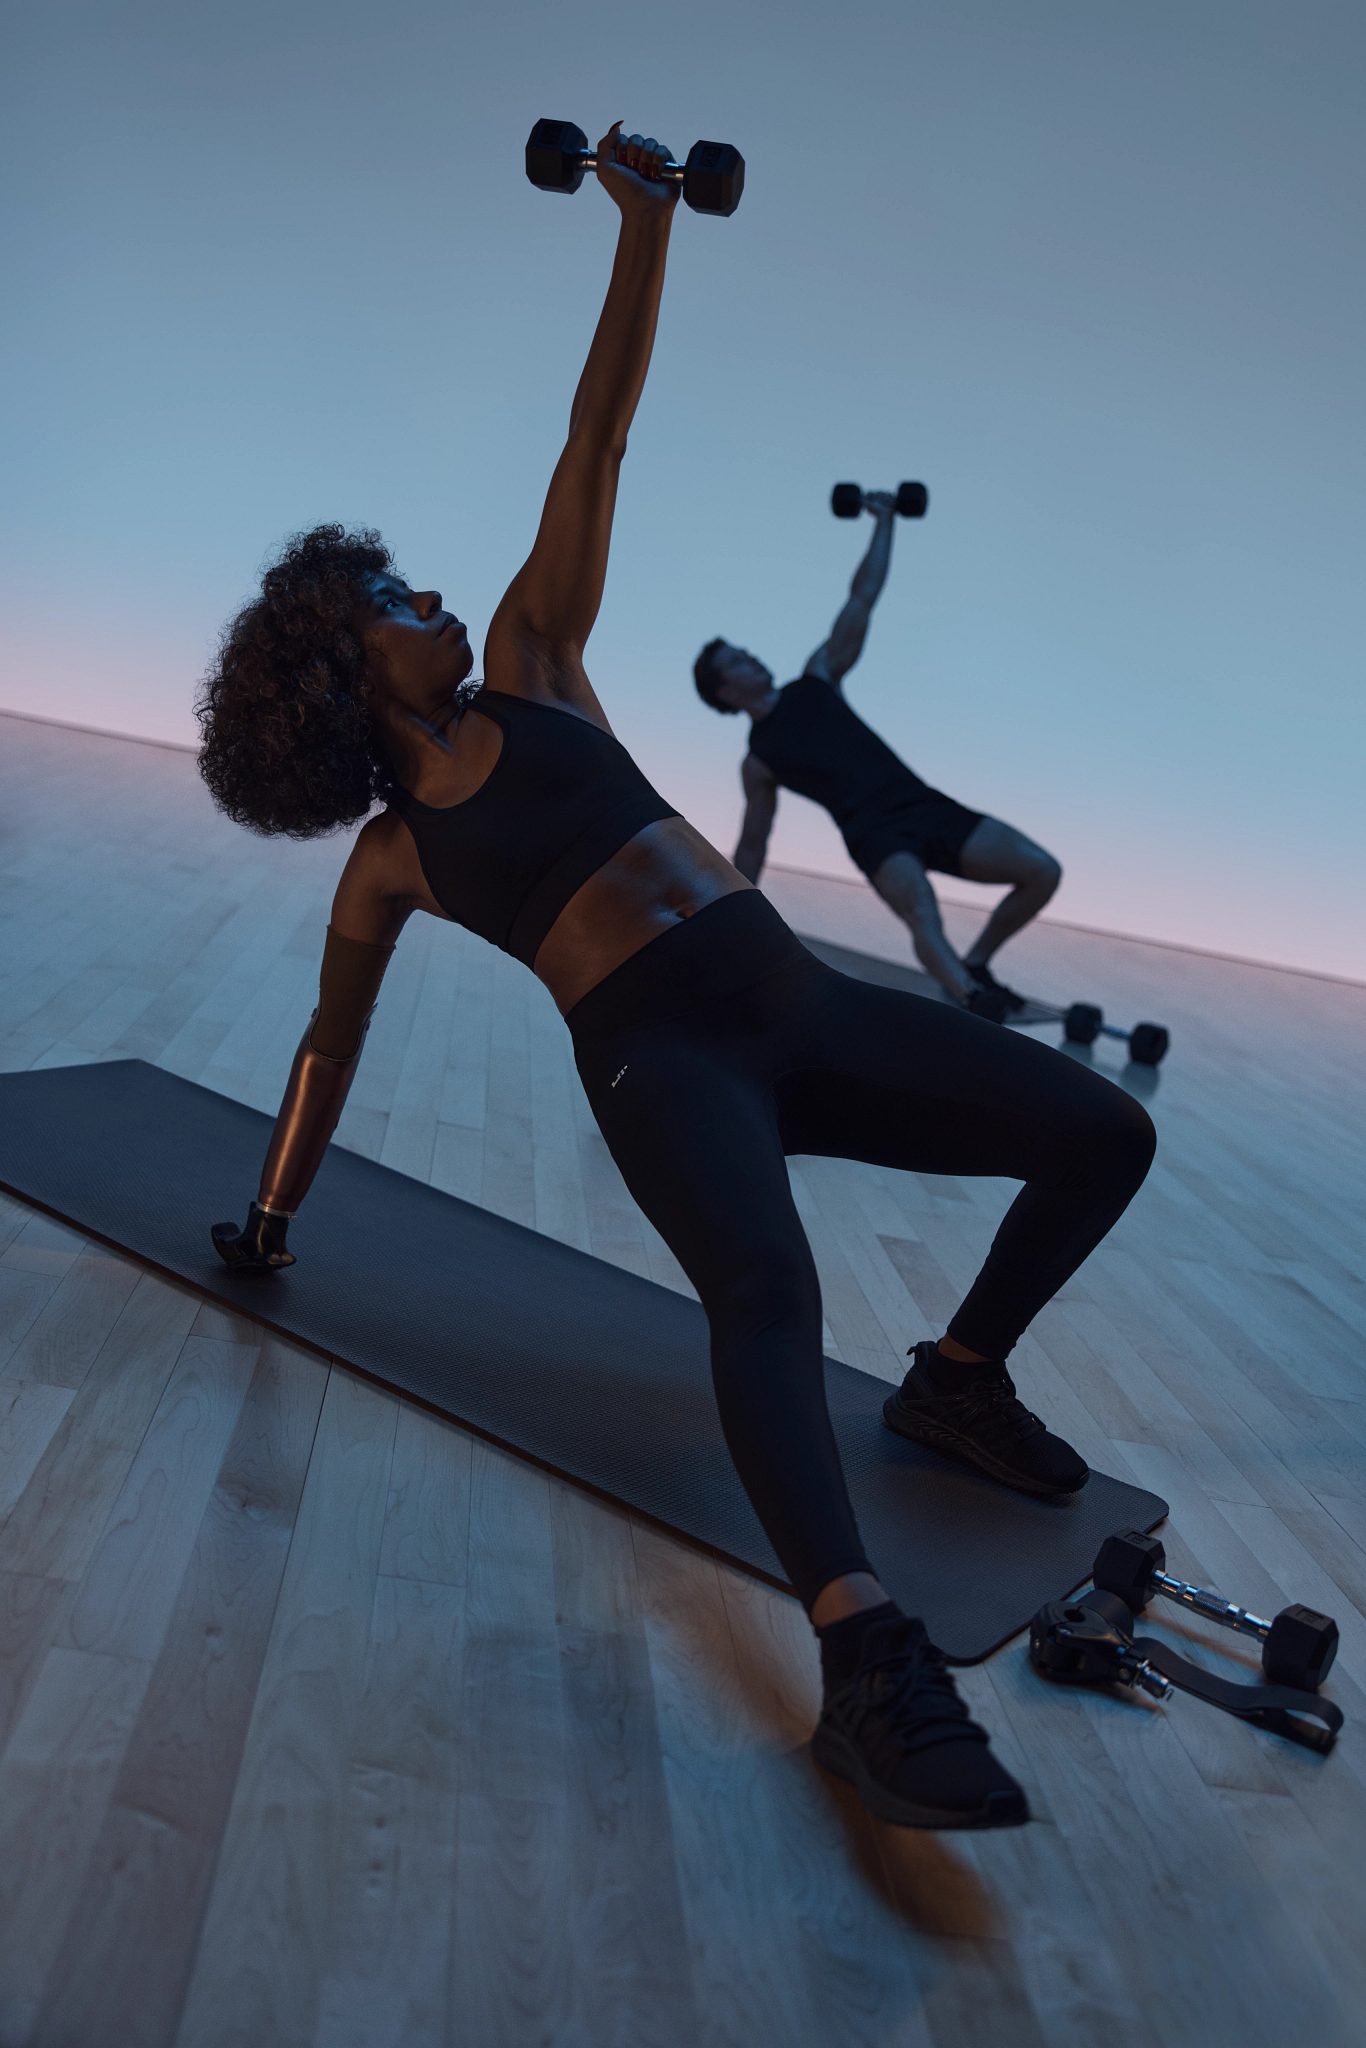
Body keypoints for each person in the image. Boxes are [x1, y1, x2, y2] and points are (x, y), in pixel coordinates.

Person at [197, 124, 1156, 1833]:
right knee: (769, 1302)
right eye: (394, 599)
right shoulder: (394, 855)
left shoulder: (544, 661)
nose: (433, 597)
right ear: (345, 675)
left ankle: (956, 1378)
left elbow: (599, 427)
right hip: (668, 1069)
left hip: (805, 1008)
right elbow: (328, 1050)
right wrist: (271, 1217)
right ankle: (864, 1661)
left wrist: (645, 229)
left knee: (1100, 1131)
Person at [693, 499, 1064, 1016]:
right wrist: (730, 916)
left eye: (743, 650)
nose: (750, 655)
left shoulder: (817, 676)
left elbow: (862, 596)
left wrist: (885, 520)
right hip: (874, 834)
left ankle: (975, 963)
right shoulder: (758, 761)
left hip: (925, 805)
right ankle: (969, 995)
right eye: (736, 660)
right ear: (725, 694)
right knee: (921, 912)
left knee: (1042, 871)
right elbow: (754, 844)